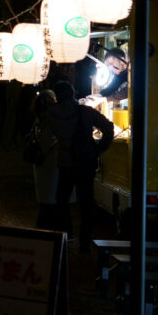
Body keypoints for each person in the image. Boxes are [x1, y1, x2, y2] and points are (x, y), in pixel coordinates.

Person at [47, 80, 114, 253]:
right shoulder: (85, 111)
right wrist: (99, 149)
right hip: (85, 162)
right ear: (73, 94)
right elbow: (108, 128)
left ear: (57, 97)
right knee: (86, 203)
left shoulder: (51, 114)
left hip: (65, 162)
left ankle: (63, 239)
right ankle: (84, 242)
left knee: (62, 201)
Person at [29, 89, 61, 229]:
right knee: (52, 198)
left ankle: (43, 224)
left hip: (40, 161)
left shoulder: (38, 120)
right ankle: (48, 227)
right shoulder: (53, 120)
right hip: (51, 161)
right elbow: (51, 140)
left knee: (45, 197)